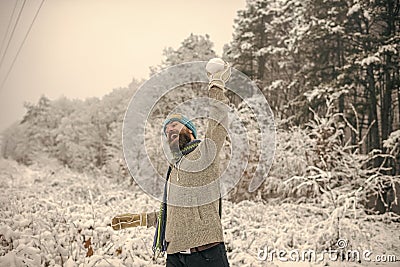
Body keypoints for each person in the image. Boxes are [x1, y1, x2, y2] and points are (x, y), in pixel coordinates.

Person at [111, 58, 231, 267]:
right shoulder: (174, 169)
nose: (170, 130)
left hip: (205, 253)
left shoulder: (205, 152)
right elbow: (173, 213)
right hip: (174, 256)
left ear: (190, 130)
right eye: (166, 130)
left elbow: (218, 121)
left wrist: (216, 84)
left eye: (174, 125)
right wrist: (139, 220)